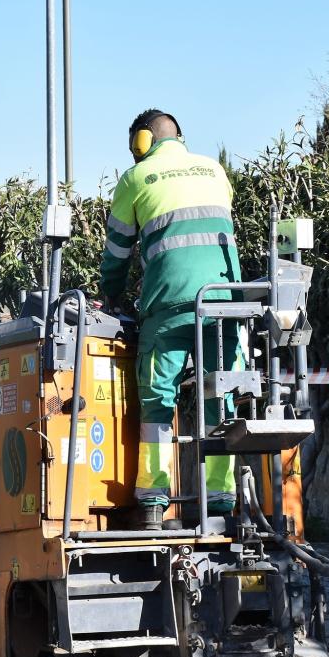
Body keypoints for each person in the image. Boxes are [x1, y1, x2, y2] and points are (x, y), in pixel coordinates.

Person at [100, 109, 241, 529]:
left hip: (170, 305)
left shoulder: (135, 178)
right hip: (224, 303)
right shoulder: (214, 170)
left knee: (158, 402)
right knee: (221, 396)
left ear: (142, 142)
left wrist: (111, 294)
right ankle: (220, 501)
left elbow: (117, 252)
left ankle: (152, 502)